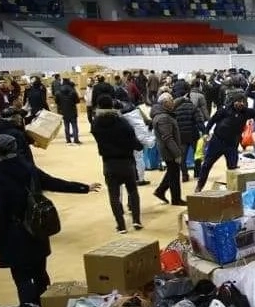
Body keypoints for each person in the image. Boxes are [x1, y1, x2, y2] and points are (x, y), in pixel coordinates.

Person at [0, 135, 99, 306]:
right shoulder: (28, 167)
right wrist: (83, 187)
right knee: (41, 274)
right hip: (37, 228)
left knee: (22, 279)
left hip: (14, 233)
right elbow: (52, 182)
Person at [194, 91, 255, 192]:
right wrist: (206, 132)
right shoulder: (224, 110)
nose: (241, 103)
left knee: (233, 168)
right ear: (234, 102)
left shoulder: (246, 112)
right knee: (207, 165)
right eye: (239, 101)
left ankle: (232, 190)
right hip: (217, 141)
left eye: (243, 102)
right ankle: (199, 186)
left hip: (232, 145)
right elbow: (212, 121)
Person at [92, 95, 144, 233]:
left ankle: (121, 226)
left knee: (113, 195)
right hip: (126, 161)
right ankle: (136, 220)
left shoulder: (96, 124)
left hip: (109, 162)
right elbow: (134, 141)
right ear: (112, 105)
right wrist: (139, 146)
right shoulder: (122, 122)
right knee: (132, 191)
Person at [151, 94, 186, 205]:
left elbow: (175, 103)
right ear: (165, 103)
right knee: (174, 174)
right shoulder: (164, 118)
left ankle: (160, 191)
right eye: (171, 100)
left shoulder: (162, 111)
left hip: (168, 149)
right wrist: (177, 154)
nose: (173, 102)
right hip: (169, 150)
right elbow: (168, 138)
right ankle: (176, 199)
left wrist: (183, 98)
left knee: (172, 171)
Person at [173, 92, 205, 182]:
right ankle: (197, 172)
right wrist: (204, 131)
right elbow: (199, 121)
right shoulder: (194, 108)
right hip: (193, 135)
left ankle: (184, 175)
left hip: (181, 136)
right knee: (197, 154)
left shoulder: (175, 109)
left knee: (182, 157)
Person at [53, 78, 81, 145]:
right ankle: (76, 139)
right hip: (72, 110)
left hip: (63, 111)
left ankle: (68, 140)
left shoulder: (58, 92)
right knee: (74, 125)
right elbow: (77, 101)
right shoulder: (73, 91)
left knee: (66, 126)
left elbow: (56, 102)